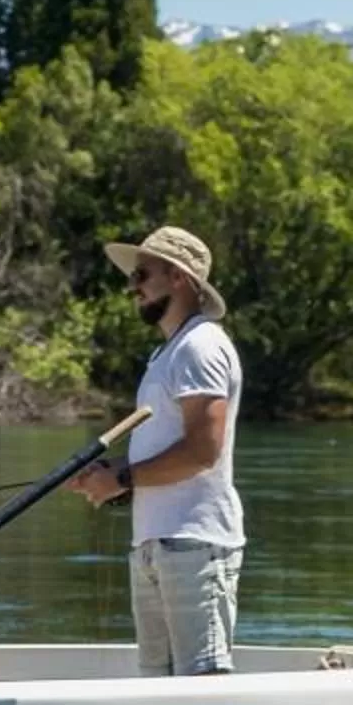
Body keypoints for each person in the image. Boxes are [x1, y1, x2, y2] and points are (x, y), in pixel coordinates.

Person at [69, 225, 245, 675]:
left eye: (142, 275)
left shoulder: (200, 346)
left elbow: (202, 451)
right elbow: (168, 446)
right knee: (156, 690)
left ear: (179, 277)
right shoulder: (168, 353)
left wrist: (122, 479)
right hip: (154, 545)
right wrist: (110, 473)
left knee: (200, 687)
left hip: (194, 544)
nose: (133, 287)